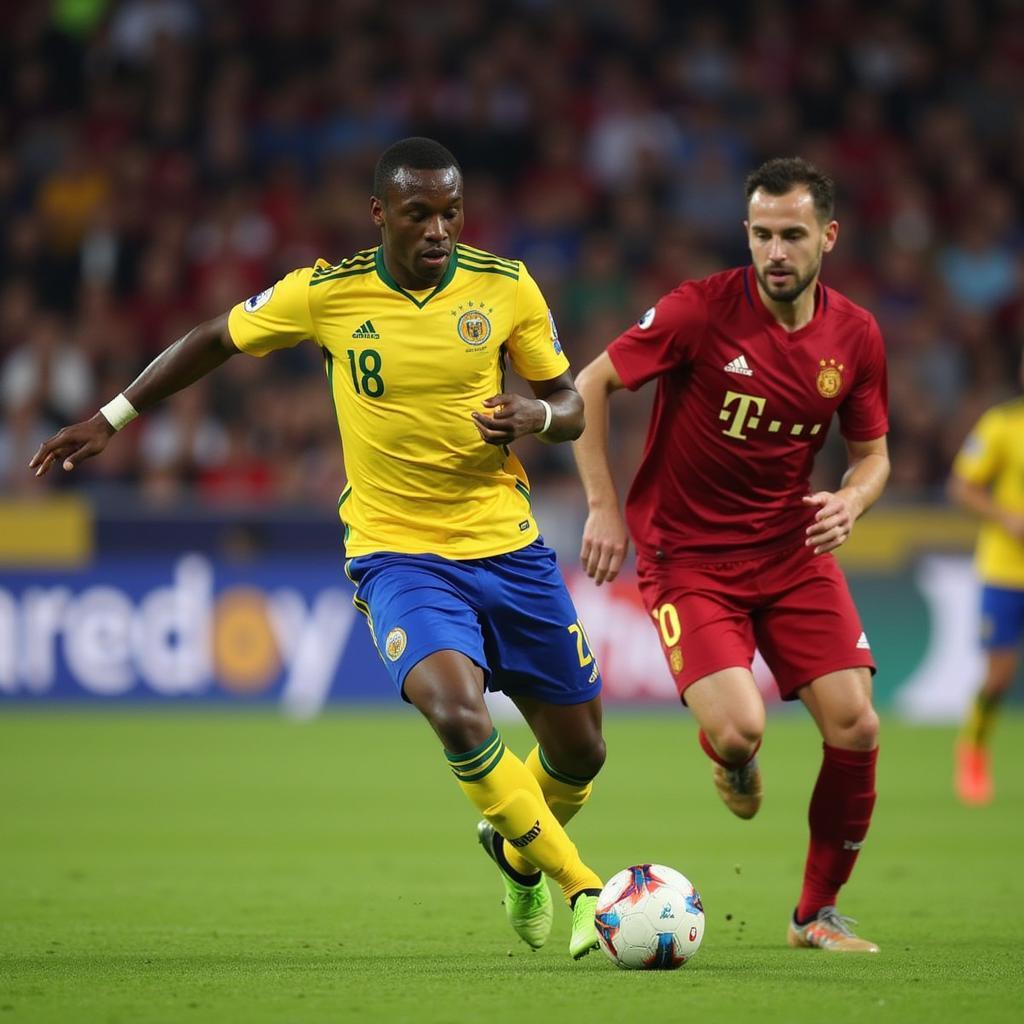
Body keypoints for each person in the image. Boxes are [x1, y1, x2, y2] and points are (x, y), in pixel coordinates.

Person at [30, 137, 605, 960]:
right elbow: (212, 339)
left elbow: (569, 401)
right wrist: (110, 418)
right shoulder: (325, 293)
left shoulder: (505, 286)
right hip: (398, 553)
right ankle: (581, 882)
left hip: (508, 548)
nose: (439, 228)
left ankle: (515, 850)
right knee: (454, 709)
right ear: (380, 215)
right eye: (419, 214)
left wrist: (539, 418)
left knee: (581, 750)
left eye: (451, 211)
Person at [573, 157, 889, 953]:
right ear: (746, 234)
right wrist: (605, 506)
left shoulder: (854, 335)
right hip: (690, 562)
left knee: (855, 724)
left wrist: (851, 499)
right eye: (761, 235)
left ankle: (813, 915)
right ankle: (734, 762)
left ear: (828, 237)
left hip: (792, 553)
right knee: (742, 731)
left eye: (792, 235)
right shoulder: (698, 312)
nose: (775, 252)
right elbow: (592, 383)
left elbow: (874, 454)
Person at [949, 355, 1024, 805]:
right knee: (999, 677)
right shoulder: (1001, 425)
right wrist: (1006, 518)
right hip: (1006, 571)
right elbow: (962, 486)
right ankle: (973, 750)